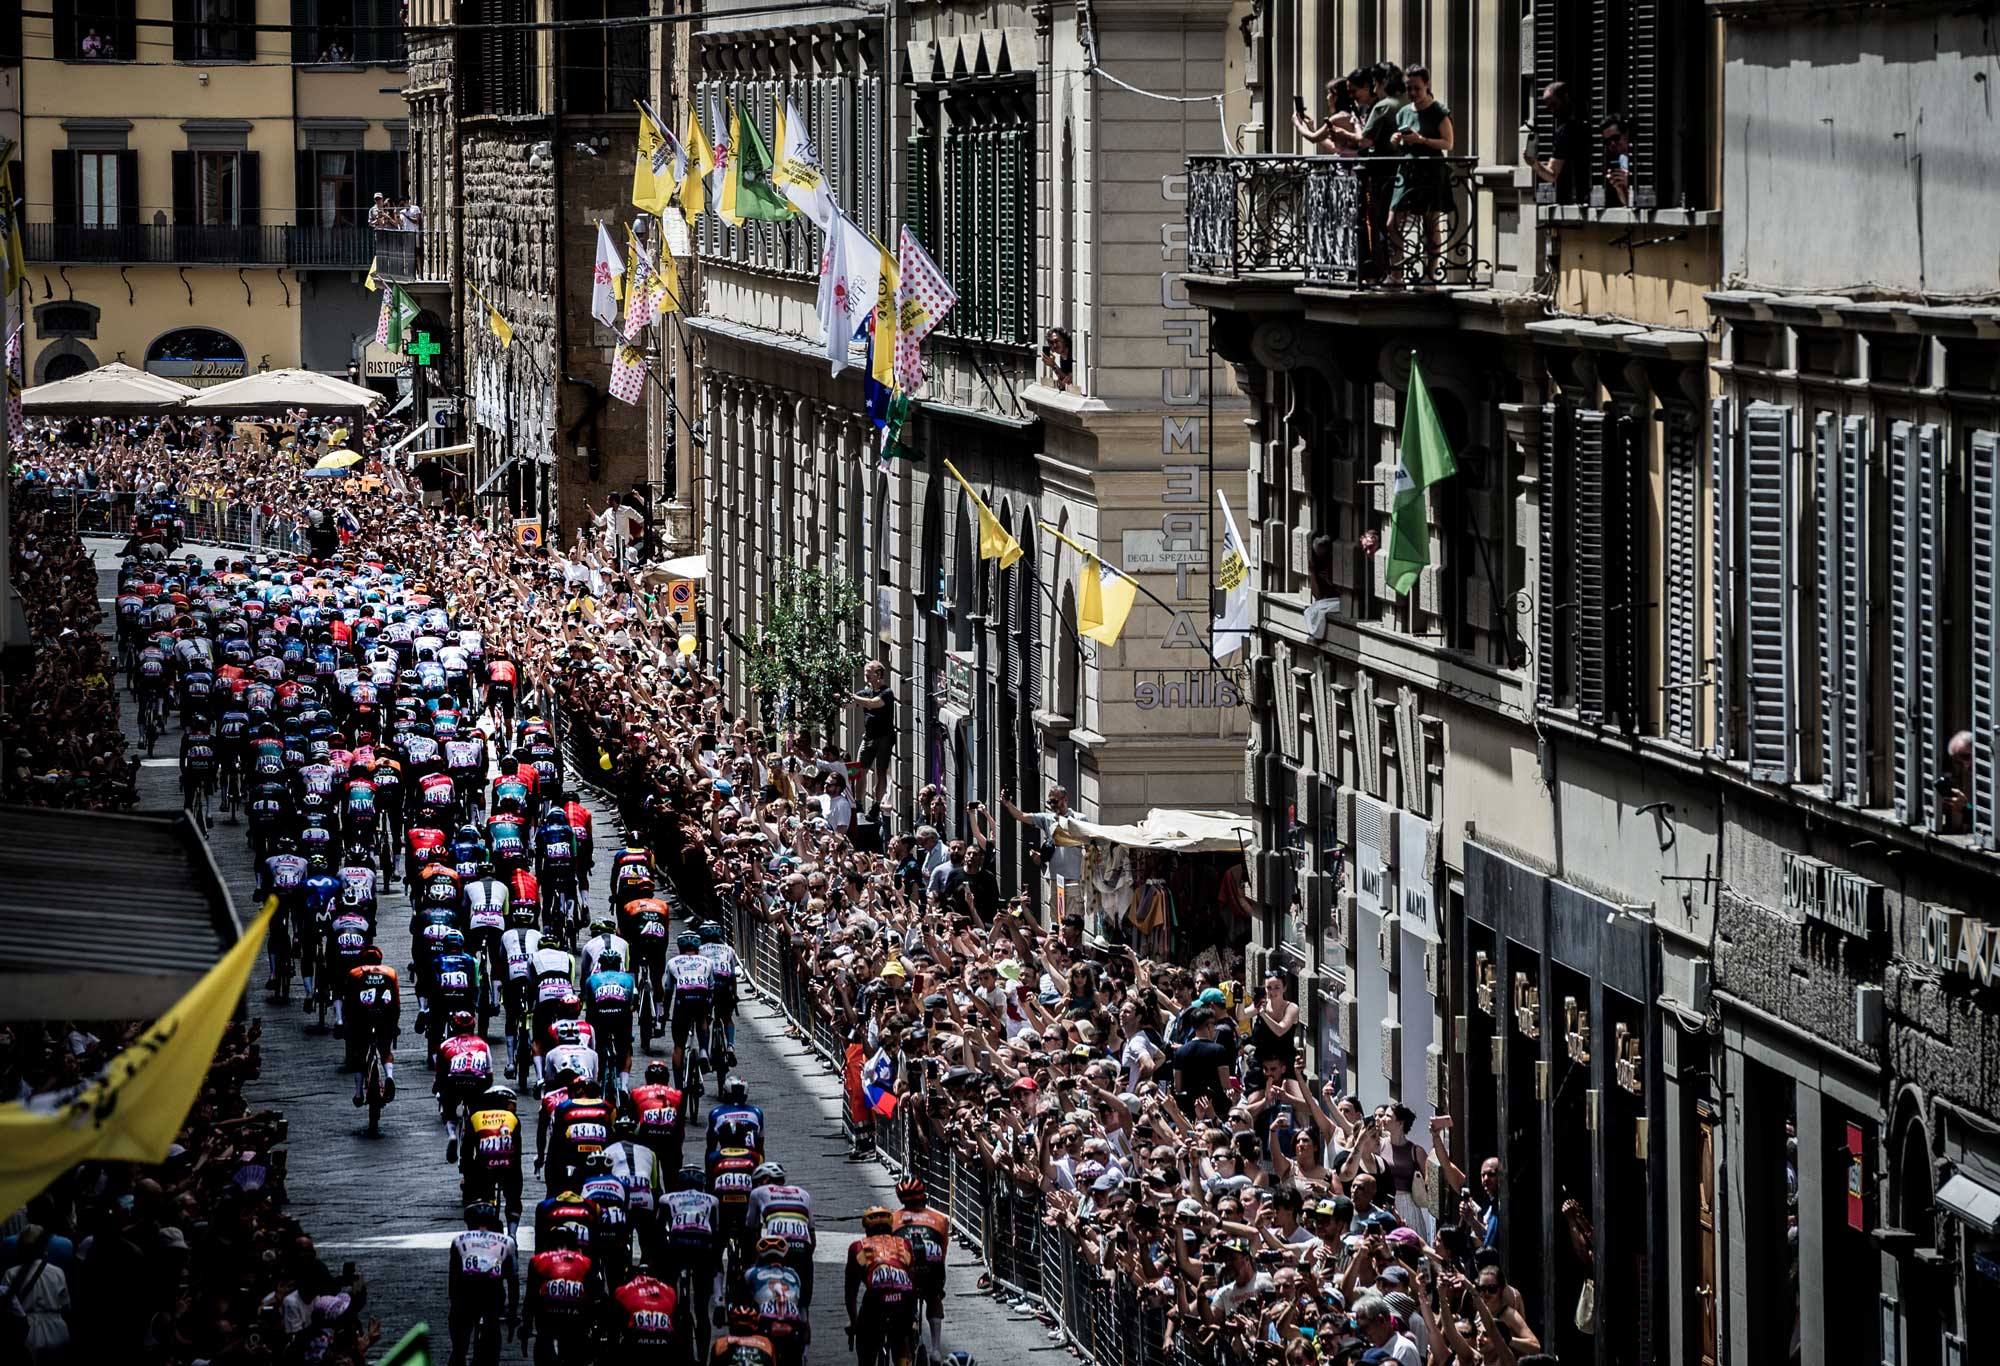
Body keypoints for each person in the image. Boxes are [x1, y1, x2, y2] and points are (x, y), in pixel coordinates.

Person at [1386, 65, 1455, 279]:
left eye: (1416, 88)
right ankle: (1397, 274)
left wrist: (1421, 140)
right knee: (1392, 222)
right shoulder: (1404, 113)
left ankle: (1430, 275)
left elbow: (1448, 143)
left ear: (1427, 84)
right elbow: (1396, 145)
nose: (1412, 93)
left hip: (1430, 171)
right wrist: (1395, 141)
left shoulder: (1438, 111)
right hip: (1406, 171)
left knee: (1430, 225)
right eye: (1409, 88)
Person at [446, 1201, 518, 1366]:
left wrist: (454, 1304)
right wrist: (512, 1311)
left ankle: (458, 1355)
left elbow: (453, 1279)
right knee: (492, 1337)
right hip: (492, 1299)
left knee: (459, 1348)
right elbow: (512, 1279)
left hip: (465, 1299)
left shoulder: (458, 1241)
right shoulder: (507, 1242)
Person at [844, 1208, 915, 1366]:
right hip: (904, 1298)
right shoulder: (904, 1244)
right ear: (891, 1227)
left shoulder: (858, 1247)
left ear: (867, 1229)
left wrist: (853, 1321)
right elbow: (912, 1280)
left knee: (866, 1347)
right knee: (903, 1336)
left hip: (876, 1299)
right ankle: (904, 1358)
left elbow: (851, 1290)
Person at [891, 1176, 949, 1363]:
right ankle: (935, 1348)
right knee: (934, 1296)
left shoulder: (894, 1219)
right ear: (924, 1196)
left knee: (901, 1302)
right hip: (933, 1270)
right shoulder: (940, 1219)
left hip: (906, 1272)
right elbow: (943, 1253)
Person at [521, 1225, 597, 1365]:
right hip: (576, 1321)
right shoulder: (586, 1261)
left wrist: (526, 1324)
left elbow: (530, 1296)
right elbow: (592, 1296)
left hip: (547, 1321)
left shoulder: (538, 1260)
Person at [1, 1225, 71, 1365]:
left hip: (27, 1333)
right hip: (58, 1331)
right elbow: (66, 1306)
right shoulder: (58, 1272)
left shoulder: (11, 1274)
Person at [997, 783, 1082, 897]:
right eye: (1049, 802)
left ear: (1065, 799)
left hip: (1074, 877)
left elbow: (1089, 845)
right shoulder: (1047, 818)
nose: (1052, 805)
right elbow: (1021, 816)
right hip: (1054, 878)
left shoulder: (1079, 819)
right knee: (1056, 914)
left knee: (1073, 913)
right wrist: (1008, 804)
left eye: (1055, 801)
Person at [1530, 80, 1587, 204]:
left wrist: (1534, 163)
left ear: (1566, 98)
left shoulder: (1565, 131)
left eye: (1554, 105)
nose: (1552, 111)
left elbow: (1552, 174)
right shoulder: (1583, 121)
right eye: (1549, 107)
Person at [850, 659, 896, 812]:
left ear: (879, 674)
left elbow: (872, 703)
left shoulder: (887, 693)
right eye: (865, 672)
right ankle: (858, 803)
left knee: (880, 771)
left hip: (884, 738)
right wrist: (842, 699)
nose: (866, 675)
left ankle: (877, 804)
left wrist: (852, 697)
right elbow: (852, 703)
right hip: (868, 737)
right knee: (859, 769)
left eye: (869, 672)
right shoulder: (865, 692)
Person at [1293, 76, 1365, 156]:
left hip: (1347, 167)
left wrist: (1297, 124)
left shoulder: (1338, 118)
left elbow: (1313, 138)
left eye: (1329, 93)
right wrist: (1312, 129)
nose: (1327, 97)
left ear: (1336, 96)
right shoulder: (1351, 115)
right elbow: (1335, 148)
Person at [1601, 115, 1632, 206]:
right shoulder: (1620, 161)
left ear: (1626, 133)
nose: (1612, 144)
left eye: (1615, 138)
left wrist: (1630, 183)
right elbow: (1626, 203)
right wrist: (1620, 188)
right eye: (1608, 141)